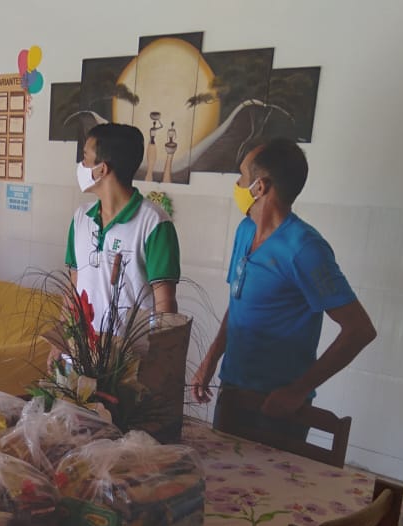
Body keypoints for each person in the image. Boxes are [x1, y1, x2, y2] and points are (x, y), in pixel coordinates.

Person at [192, 137, 376, 435]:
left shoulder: (304, 249)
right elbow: (238, 303)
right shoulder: (245, 230)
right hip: (232, 392)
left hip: (276, 407)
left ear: (260, 187)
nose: (237, 185)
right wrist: (211, 359)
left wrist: (297, 391)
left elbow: (360, 330)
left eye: (242, 176)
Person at [65, 123, 180, 332]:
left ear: (102, 169)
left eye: (85, 157)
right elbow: (73, 288)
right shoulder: (81, 218)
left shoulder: (154, 224)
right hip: (81, 349)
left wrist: (161, 351)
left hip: (129, 351)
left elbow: (165, 308)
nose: (81, 165)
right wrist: (62, 340)